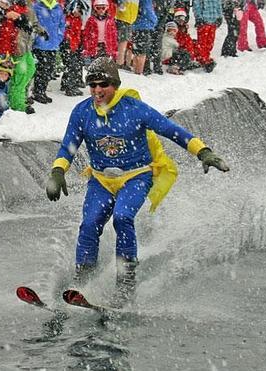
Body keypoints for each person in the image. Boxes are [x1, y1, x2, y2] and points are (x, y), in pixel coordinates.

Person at [45, 57, 229, 306]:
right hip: (101, 180)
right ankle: (84, 276)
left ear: (115, 85)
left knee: (122, 217)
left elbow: (172, 130)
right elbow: (68, 146)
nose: (97, 91)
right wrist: (58, 172)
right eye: (93, 86)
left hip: (136, 176)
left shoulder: (134, 109)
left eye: (103, 85)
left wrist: (203, 152)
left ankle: (125, 283)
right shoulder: (82, 112)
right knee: (89, 223)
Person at [30, 0, 65, 104]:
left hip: (53, 44)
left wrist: (59, 38)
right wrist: (37, 38)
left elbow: (61, 25)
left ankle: (42, 91)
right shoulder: (37, 6)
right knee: (41, 69)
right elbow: (33, 23)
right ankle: (38, 92)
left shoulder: (58, 7)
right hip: (40, 44)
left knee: (49, 69)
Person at [60, 0, 87, 97]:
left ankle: (65, 83)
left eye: (80, 10)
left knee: (74, 64)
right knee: (72, 65)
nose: (78, 12)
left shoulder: (78, 20)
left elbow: (78, 34)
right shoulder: (68, 20)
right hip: (68, 46)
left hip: (74, 46)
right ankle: (69, 87)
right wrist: (69, 44)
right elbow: (67, 33)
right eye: (76, 10)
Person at [192, 0, 221, 73]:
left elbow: (219, 5)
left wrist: (219, 16)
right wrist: (199, 17)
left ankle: (205, 57)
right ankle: (204, 59)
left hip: (213, 21)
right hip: (204, 21)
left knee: (210, 42)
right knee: (202, 43)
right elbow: (196, 6)